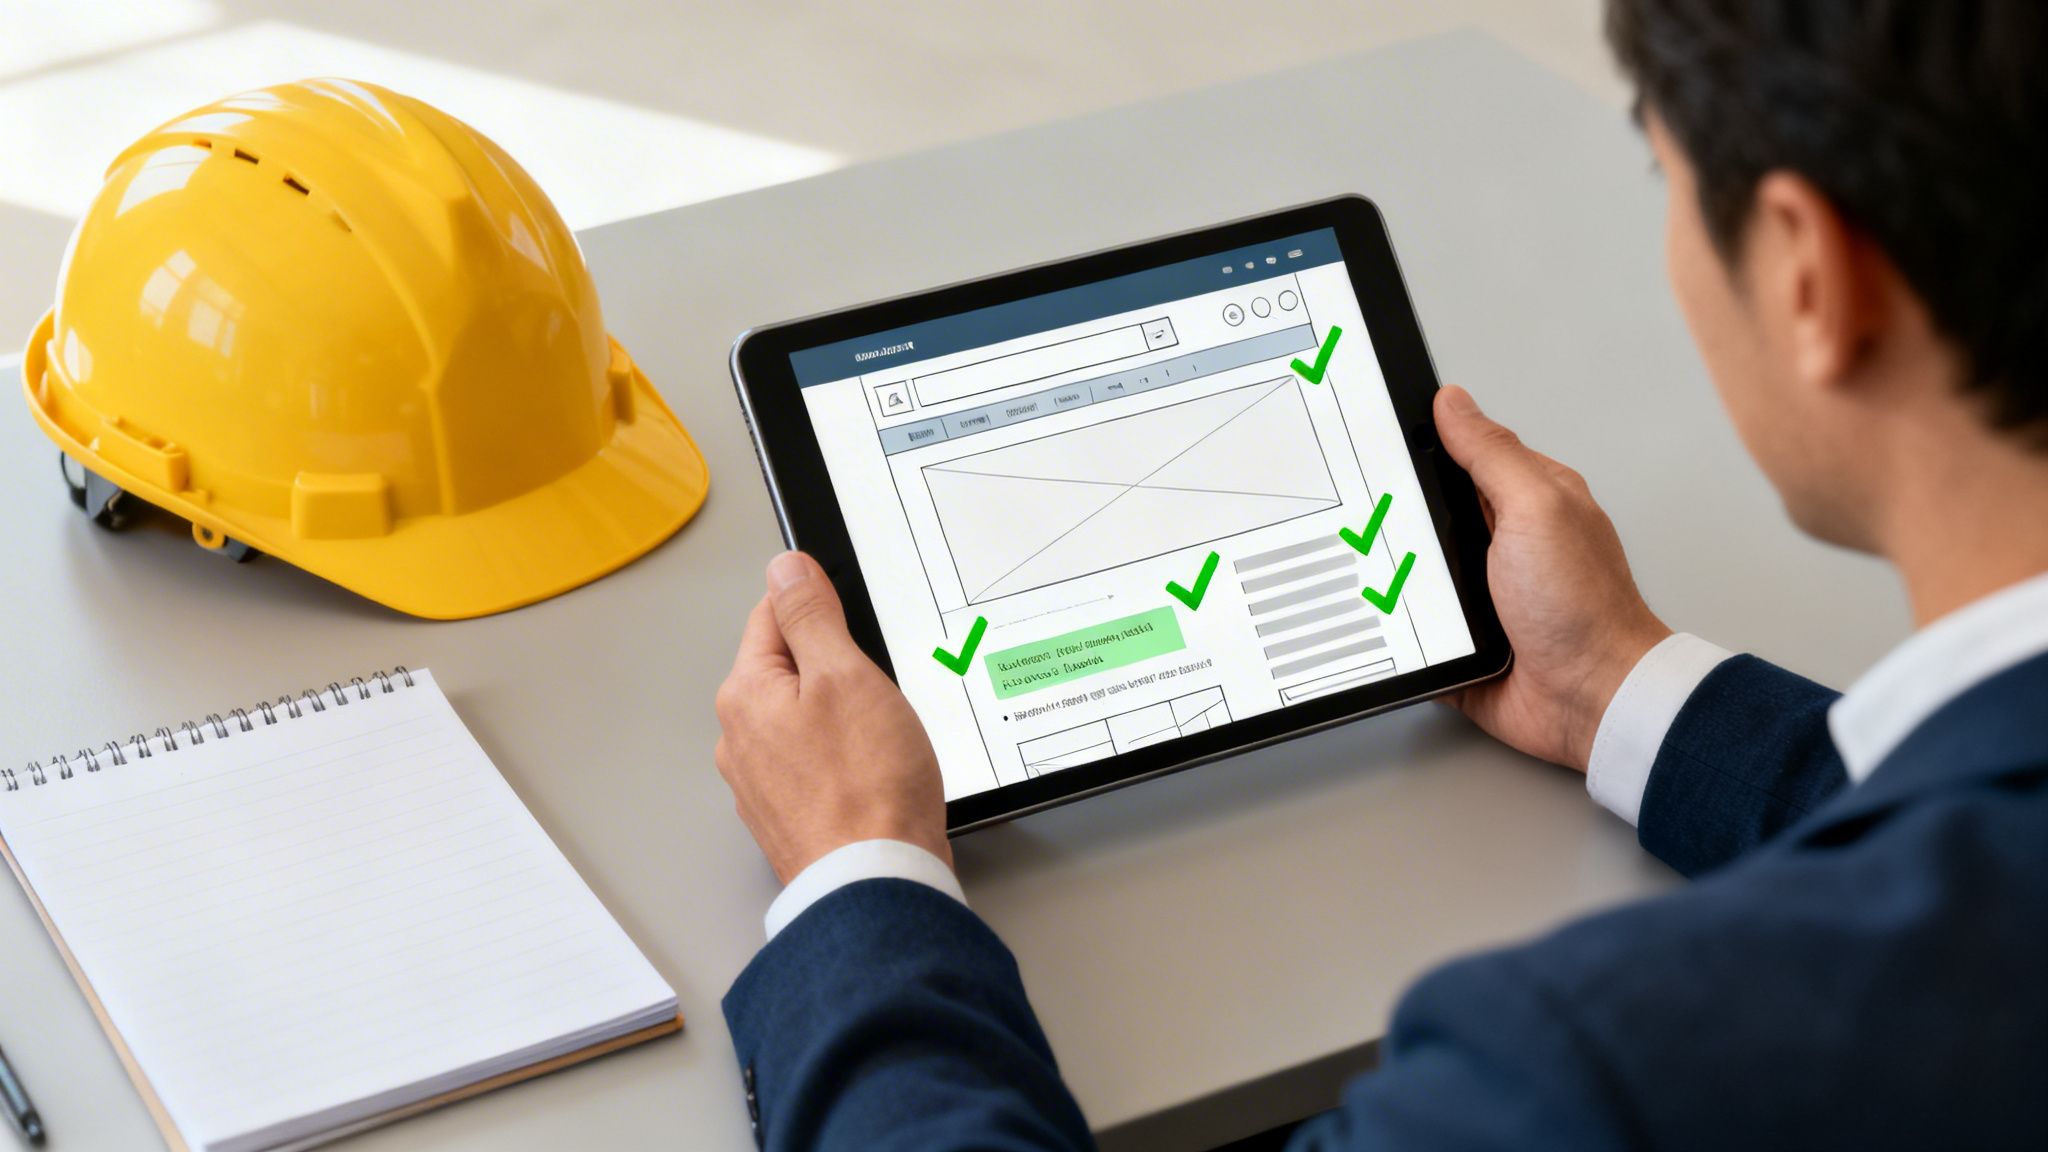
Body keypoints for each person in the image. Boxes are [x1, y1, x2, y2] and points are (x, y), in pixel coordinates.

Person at [713, 1, 2048, 1147]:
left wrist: (857, 877)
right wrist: (1612, 691)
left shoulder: (1592, 1070)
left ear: (1814, 274)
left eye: (1665, 179)